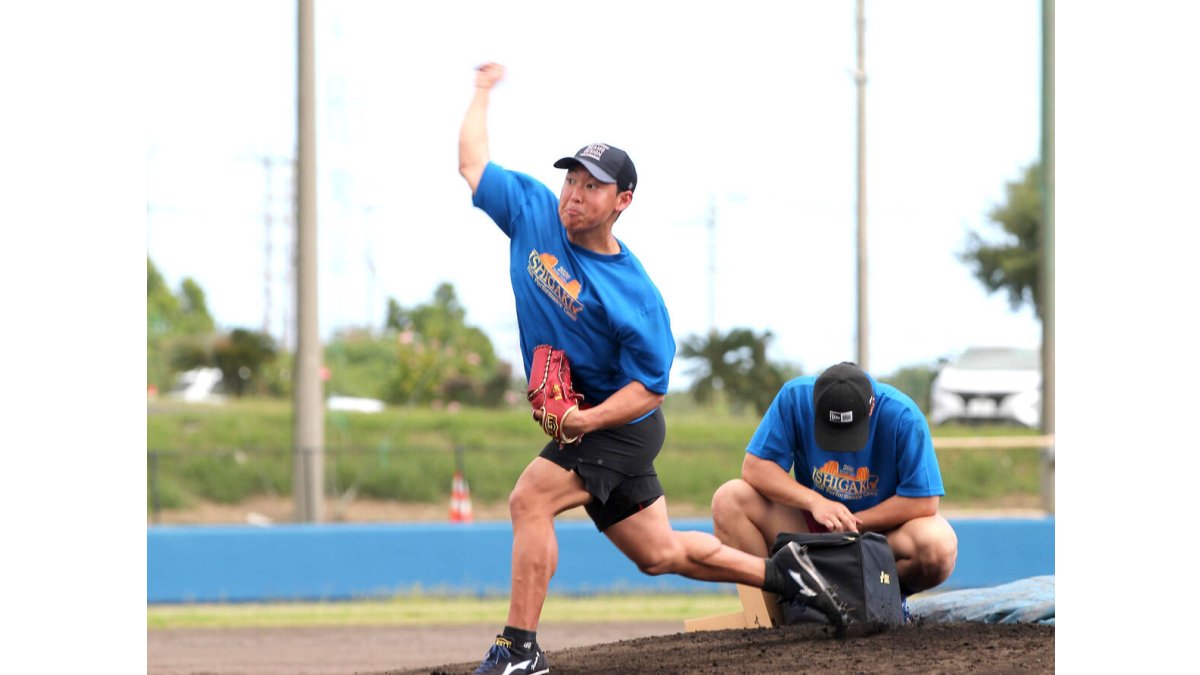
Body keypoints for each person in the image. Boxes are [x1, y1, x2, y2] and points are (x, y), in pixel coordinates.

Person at [457, 62, 840, 675]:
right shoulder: (532, 212)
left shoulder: (635, 296)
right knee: (659, 553)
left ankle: (519, 651)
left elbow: (650, 390)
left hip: (622, 424)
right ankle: (794, 575)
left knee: (530, 498)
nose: (574, 195)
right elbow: (473, 164)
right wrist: (480, 93)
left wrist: (585, 419)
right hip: (592, 424)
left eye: (592, 186)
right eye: (572, 180)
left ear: (622, 201)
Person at [711, 361, 959, 613]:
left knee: (939, 546)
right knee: (729, 499)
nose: (841, 444)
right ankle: (777, 616)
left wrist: (854, 523)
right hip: (812, 534)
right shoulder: (795, 398)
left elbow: (924, 500)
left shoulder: (903, 416)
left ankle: (884, 605)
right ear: (815, 406)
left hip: (877, 538)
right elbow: (755, 467)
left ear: (871, 408)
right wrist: (815, 502)